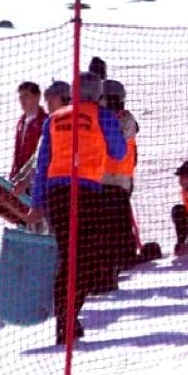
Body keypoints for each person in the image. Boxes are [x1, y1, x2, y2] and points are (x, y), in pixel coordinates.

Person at [28, 71, 126, 344]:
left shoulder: (54, 119)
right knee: (83, 260)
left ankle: (65, 320)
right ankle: (68, 319)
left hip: (56, 192)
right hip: (86, 191)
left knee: (67, 255)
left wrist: (37, 203)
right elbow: (119, 152)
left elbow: (42, 164)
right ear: (98, 94)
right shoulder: (102, 115)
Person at [98, 79, 139, 285]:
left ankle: (124, 257)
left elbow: (115, 143)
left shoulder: (125, 118)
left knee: (118, 219)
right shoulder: (106, 118)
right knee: (108, 221)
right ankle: (115, 258)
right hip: (104, 178)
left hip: (120, 179)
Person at [13, 81, 47, 176]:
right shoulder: (21, 122)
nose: (23, 100)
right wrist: (14, 174)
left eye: (26, 95)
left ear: (37, 97)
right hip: (20, 176)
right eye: (21, 97)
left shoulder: (45, 121)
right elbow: (17, 152)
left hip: (38, 175)